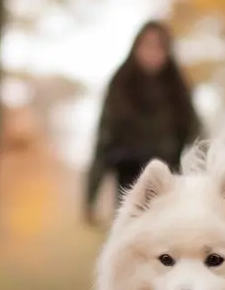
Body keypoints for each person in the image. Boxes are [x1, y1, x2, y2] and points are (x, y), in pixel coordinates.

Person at [84, 20, 202, 225]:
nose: (153, 53)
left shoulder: (178, 90)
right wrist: (90, 198)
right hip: (129, 182)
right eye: (147, 45)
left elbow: (195, 137)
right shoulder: (120, 85)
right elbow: (104, 140)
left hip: (171, 182)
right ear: (136, 47)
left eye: (159, 46)